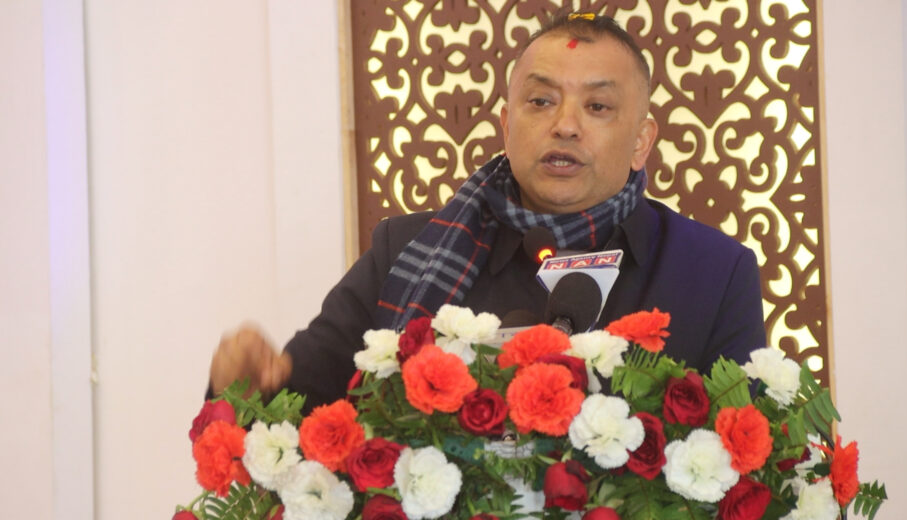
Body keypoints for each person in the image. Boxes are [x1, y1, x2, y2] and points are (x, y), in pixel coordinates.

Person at [209, 12, 766, 414]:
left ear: (642, 141)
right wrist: (243, 387)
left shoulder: (714, 272)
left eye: (597, 106)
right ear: (506, 124)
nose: (565, 125)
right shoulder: (405, 249)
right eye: (541, 101)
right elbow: (295, 407)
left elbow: (752, 463)